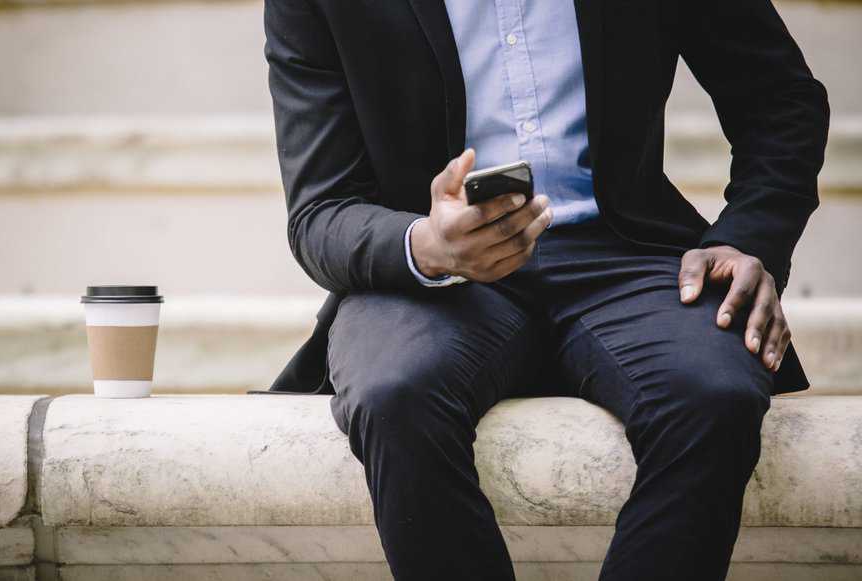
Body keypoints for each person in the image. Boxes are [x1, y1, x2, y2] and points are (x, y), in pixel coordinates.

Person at [251, 1, 830, 579]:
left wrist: (750, 238)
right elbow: (321, 210)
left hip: (625, 255)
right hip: (436, 273)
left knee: (716, 391)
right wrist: (428, 243)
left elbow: (781, 101)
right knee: (394, 395)